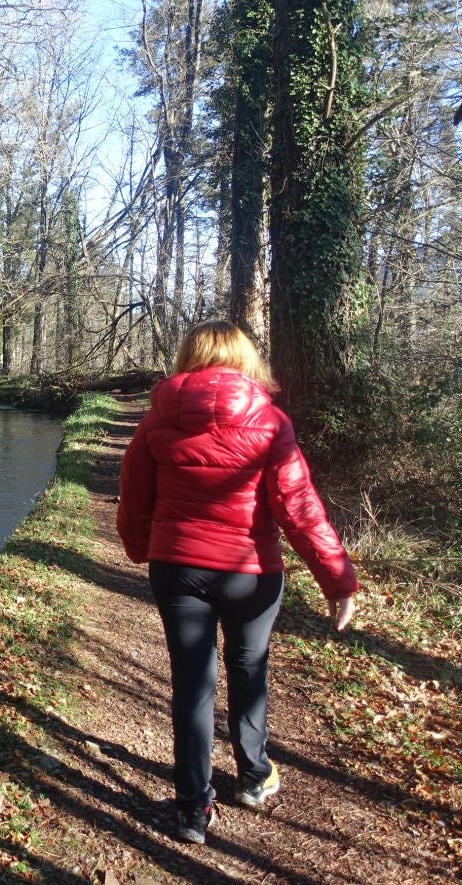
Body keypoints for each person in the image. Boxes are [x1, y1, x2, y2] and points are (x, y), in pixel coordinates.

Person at [116, 320, 359, 845]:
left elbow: (134, 494)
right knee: (249, 667)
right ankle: (252, 776)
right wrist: (336, 578)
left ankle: (191, 808)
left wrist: (141, 548)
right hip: (252, 571)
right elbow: (298, 506)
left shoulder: (158, 417)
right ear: (247, 360)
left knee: (191, 681)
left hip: (178, 568)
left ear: (188, 357)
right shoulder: (270, 420)